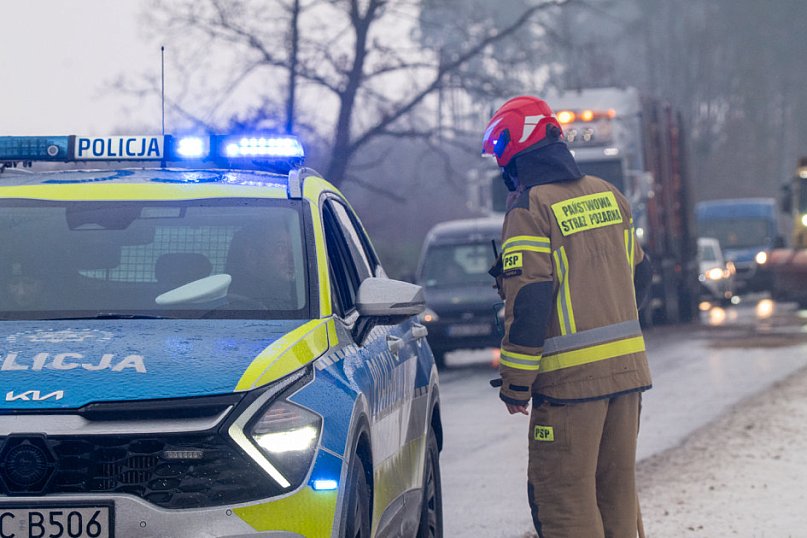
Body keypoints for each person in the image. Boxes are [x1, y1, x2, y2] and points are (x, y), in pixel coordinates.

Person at [482, 96, 653, 537]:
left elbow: (532, 299)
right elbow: (642, 276)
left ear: (514, 153)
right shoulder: (609, 195)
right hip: (627, 379)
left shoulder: (530, 209)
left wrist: (516, 382)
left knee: (564, 502)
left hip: (569, 388)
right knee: (616, 499)